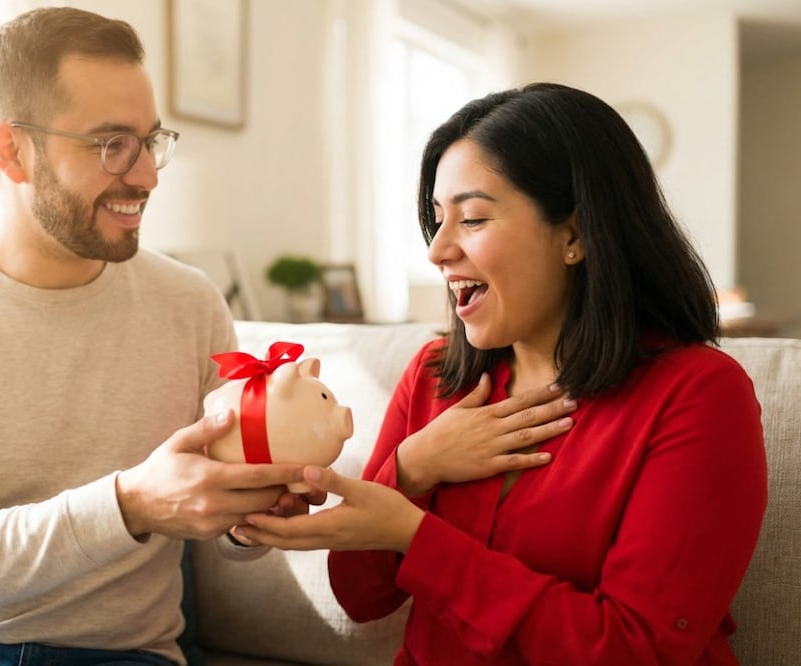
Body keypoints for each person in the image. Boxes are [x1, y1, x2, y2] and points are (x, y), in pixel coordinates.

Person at [0, 7, 318, 665]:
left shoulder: (190, 304)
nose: (147, 175)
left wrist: (255, 515)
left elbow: (227, 536)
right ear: (11, 151)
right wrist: (129, 505)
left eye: (151, 141)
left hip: (128, 655)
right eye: (110, 144)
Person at [235, 82, 768, 665]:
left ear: (575, 233)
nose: (437, 251)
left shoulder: (698, 395)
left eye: (472, 219)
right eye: (436, 220)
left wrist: (415, 535)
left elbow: (636, 650)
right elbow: (362, 599)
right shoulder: (437, 376)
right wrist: (410, 470)